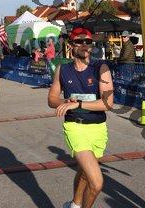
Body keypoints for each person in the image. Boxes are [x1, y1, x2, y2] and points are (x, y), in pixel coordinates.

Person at [47, 27, 113, 208]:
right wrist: (65, 101)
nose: (84, 45)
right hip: (75, 127)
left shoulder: (101, 68)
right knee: (96, 182)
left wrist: (79, 104)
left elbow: (107, 103)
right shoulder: (63, 69)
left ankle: (74, 205)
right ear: (71, 45)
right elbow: (51, 99)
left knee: (85, 172)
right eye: (79, 41)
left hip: (98, 128)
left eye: (88, 42)